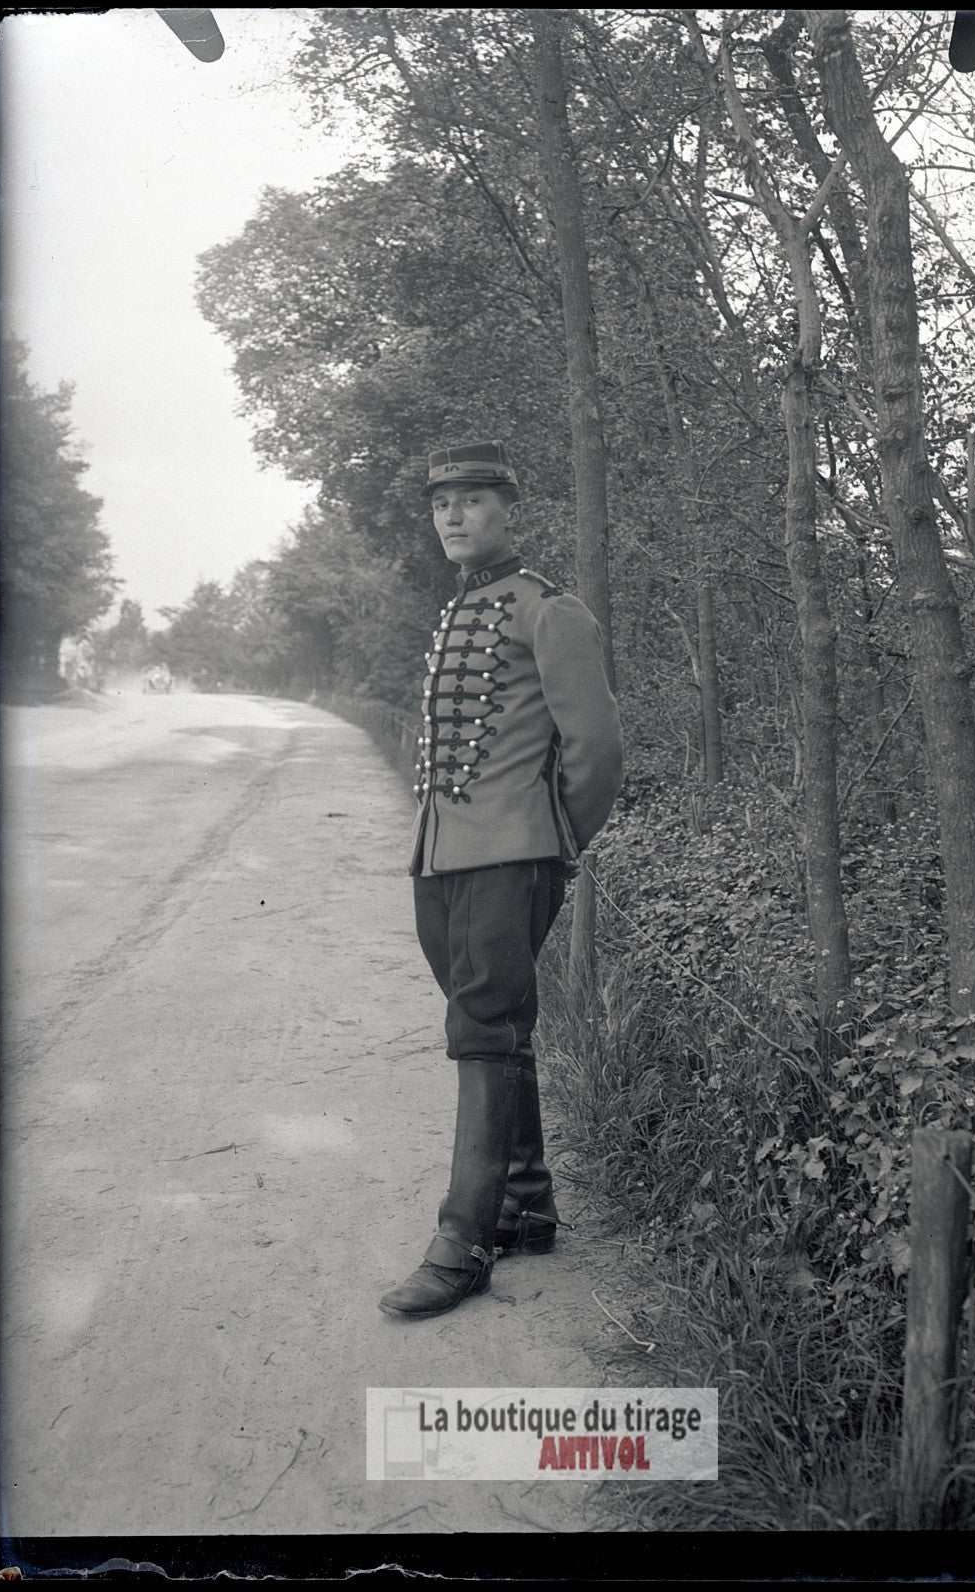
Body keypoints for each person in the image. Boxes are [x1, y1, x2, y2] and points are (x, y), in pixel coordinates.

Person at [379, 439, 623, 1319]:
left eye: (473, 500)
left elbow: (595, 750)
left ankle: (464, 1242)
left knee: (483, 1031)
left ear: (507, 509)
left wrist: (552, 842)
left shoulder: (548, 611)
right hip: (443, 855)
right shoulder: (458, 611)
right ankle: (524, 1204)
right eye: (442, 502)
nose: (453, 515)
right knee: (487, 1024)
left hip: (509, 857)